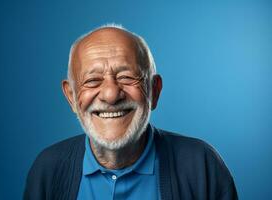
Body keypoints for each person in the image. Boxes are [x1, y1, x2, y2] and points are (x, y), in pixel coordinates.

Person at [23, 24, 238, 200]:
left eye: (126, 77)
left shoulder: (201, 165)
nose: (110, 94)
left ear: (154, 90)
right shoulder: (48, 170)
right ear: (71, 97)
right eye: (92, 80)